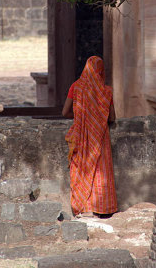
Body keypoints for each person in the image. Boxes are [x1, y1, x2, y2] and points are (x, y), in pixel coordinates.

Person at [62, 56, 117, 218]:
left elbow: (65, 112)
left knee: (83, 169)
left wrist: (81, 116)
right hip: (101, 137)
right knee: (101, 171)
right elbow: (112, 118)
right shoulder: (106, 91)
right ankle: (102, 207)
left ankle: (84, 207)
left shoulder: (76, 87)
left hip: (81, 135)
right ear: (101, 71)